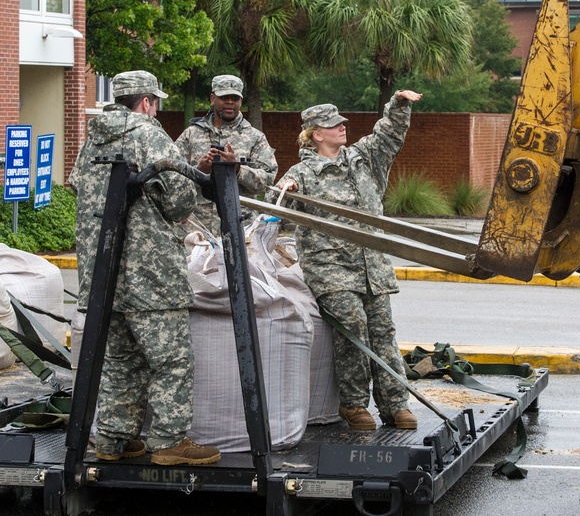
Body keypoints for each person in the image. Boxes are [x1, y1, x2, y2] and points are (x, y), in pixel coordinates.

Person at [69, 70, 221, 466]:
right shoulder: (148, 133)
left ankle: (113, 439)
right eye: (157, 103)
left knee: (122, 360)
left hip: (102, 273)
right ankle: (169, 442)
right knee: (171, 359)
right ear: (147, 102)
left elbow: (76, 186)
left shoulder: (92, 138)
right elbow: (179, 201)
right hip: (149, 274)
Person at [270, 91, 422, 431]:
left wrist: (398, 104)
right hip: (331, 269)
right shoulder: (303, 172)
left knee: (383, 331)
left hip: (372, 267)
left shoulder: (364, 157)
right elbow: (275, 206)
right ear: (315, 134)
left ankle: (395, 404)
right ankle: (353, 404)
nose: (342, 127)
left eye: (342, 122)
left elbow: (389, 133)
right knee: (353, 327)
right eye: (333, 124)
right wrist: (287, 191)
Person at [174, 74, 278, 236]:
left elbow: (267, 182)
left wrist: (237, 168)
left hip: (241, 227)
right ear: (213, 98)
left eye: (235, 98)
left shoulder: (255, 137)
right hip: (196, 228)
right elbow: (171, 180)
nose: (230, 102)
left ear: (240, 101)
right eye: (224, 97)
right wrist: (199, 171)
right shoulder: (191, 135)